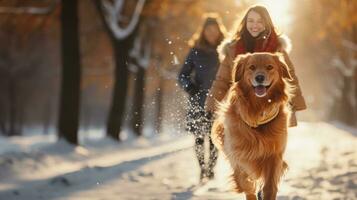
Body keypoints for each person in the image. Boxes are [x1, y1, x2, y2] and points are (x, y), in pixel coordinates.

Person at [205, 5, 307, 127]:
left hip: (272, 111)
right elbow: (222, 80)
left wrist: (294, 105)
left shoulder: (277, 48)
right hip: (242, 109)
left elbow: (290, 77)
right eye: (251, 21)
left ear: (266, 23)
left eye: (260, 21)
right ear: (245, 23)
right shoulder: (233, 49)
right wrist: (211, 105)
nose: (255, 25)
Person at [178, 13, 226, 183]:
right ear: (203, 31)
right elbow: (182, 75)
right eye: (208, 30)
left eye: (214, 30)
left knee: (215, 138)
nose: (212, 33)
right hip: (198, 101)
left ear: (219, 31)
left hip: (219, 102)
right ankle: (202, 169)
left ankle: (211, 170)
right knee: (199, 137)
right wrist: (189, 87)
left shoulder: (225, 50)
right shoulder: (195, 51)